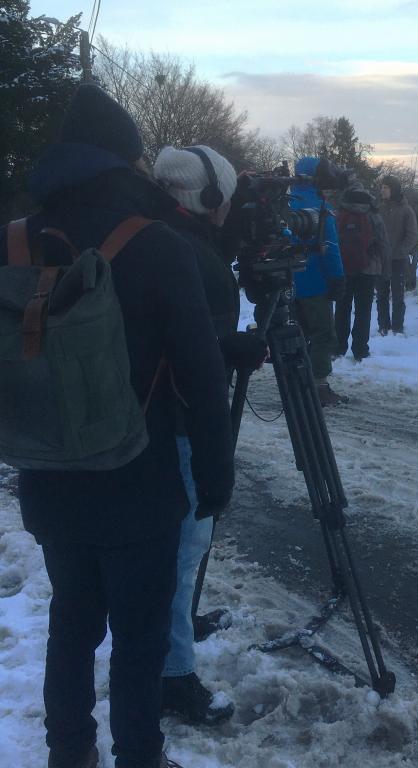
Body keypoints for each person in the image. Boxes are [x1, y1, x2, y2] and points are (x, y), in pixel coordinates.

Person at [0, 84, 234, 768]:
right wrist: (215, 478)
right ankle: (139, 756)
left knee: (71, 624)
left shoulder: (14, 240)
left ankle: (69, 755)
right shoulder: (156, 244)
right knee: (138, 639)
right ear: (122, 162)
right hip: (141, 478)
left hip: (48, 474)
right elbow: (201, 375)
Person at [151, 145, 242, 726]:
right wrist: (226, 348)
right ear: (207, 199)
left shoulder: (172, 238)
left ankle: (179, 628)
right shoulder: (178, 250)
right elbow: (181, 345)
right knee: (182, 549)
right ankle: (173, 675)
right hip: (182, 422)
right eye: (226, 198)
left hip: (174, 418)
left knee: (185, 545)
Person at [290, 157, 348, 406]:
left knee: (296, 335)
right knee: (323, 334)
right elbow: (331, 247)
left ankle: (296, 385)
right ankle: (319, 387)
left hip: (288, 282)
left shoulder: (285, 204)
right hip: (316, 283)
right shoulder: (320, 207)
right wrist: (337, 278)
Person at [334, 178, 390, 361]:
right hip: (369, 267)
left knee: (342, 308)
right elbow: (383, 241)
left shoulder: (340, 212)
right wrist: (384, 266)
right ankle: (360, 350)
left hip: (344, 267)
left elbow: (333, 239)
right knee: (363, 310)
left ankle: (338, 347)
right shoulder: (372, 213)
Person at [375, 175, 418, 336]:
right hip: (381, 259)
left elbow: (412, 234)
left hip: (398, 260)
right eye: (382, 187)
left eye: (385, 188)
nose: (382, 190)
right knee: (381, 295)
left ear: (393, 189)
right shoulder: (379, 209)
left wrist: (401, 251)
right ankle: (383, 326)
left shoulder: (406, 210)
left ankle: (397, 328)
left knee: (398, 296)